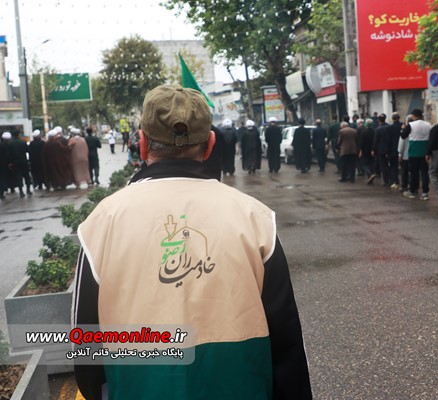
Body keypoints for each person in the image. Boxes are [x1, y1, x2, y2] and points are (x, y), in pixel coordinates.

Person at [72, 84, 312, 399]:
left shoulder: (102, 222)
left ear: (142, 144)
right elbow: (286, 340)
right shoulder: (255, 218)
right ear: (210, 144)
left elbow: (85, 344)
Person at [402, 109, 431, 200]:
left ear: (414, 116)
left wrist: (403, 128)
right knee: (424, 173)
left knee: (414, 172)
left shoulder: (411, 125)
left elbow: (403, 135)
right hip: (424, 151)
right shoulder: (428, 125)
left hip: (413, 152)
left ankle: (413, 189)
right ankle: (425, 192)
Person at [5, 130, 33, 197]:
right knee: (27, 176)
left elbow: (9, 154)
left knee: (19, 177)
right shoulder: (23, 142)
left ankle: (21, 192)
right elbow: (28, 150)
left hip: (16, 162)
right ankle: (28, 190)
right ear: (19, 134)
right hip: (24, 161)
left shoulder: (10, 144)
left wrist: (10, 162)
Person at [372, 114, 390, 186]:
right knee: (389, 165)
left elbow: (375, 141)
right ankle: (391, 180)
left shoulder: (378, 129)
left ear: (378, 120)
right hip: (389, 149)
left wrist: (373, 150)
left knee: (383, 166)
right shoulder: (389, 127)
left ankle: (386, 181)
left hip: (381, 150)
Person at [387, 113, 402, 190]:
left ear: (392, 119)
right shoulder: (403, 126)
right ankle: (406, 182)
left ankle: (395, 181)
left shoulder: (390, 128)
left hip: (393, 150)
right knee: (404, 166)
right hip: (403, 149)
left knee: (393, 166)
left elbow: (388, 140)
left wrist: (387, 151)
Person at [358, 119, 376, 184]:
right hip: (372, 150)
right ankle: (371, 178)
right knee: (371, 164)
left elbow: (361, 142)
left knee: (363, 164)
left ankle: (370, 174)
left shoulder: (364, 132)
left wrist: (360, 151)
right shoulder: (374, 131)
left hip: (365, 150)